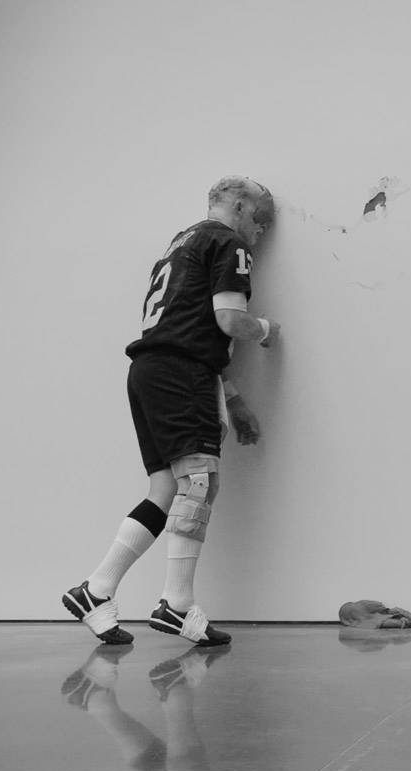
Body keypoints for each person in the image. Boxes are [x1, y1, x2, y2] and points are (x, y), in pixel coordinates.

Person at [63, 176, 281, 647]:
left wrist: (235, 399)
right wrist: (267, 330)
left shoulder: (182, 243)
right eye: (261, 218)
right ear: (239, 206)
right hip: (181, 375)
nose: (262, 231)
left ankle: (95, 591)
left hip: (149, 370)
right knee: (199, 481)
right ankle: (176, 606)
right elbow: (228, 320)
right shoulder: (228, 243)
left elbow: (189, 326)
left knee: (167, 487)